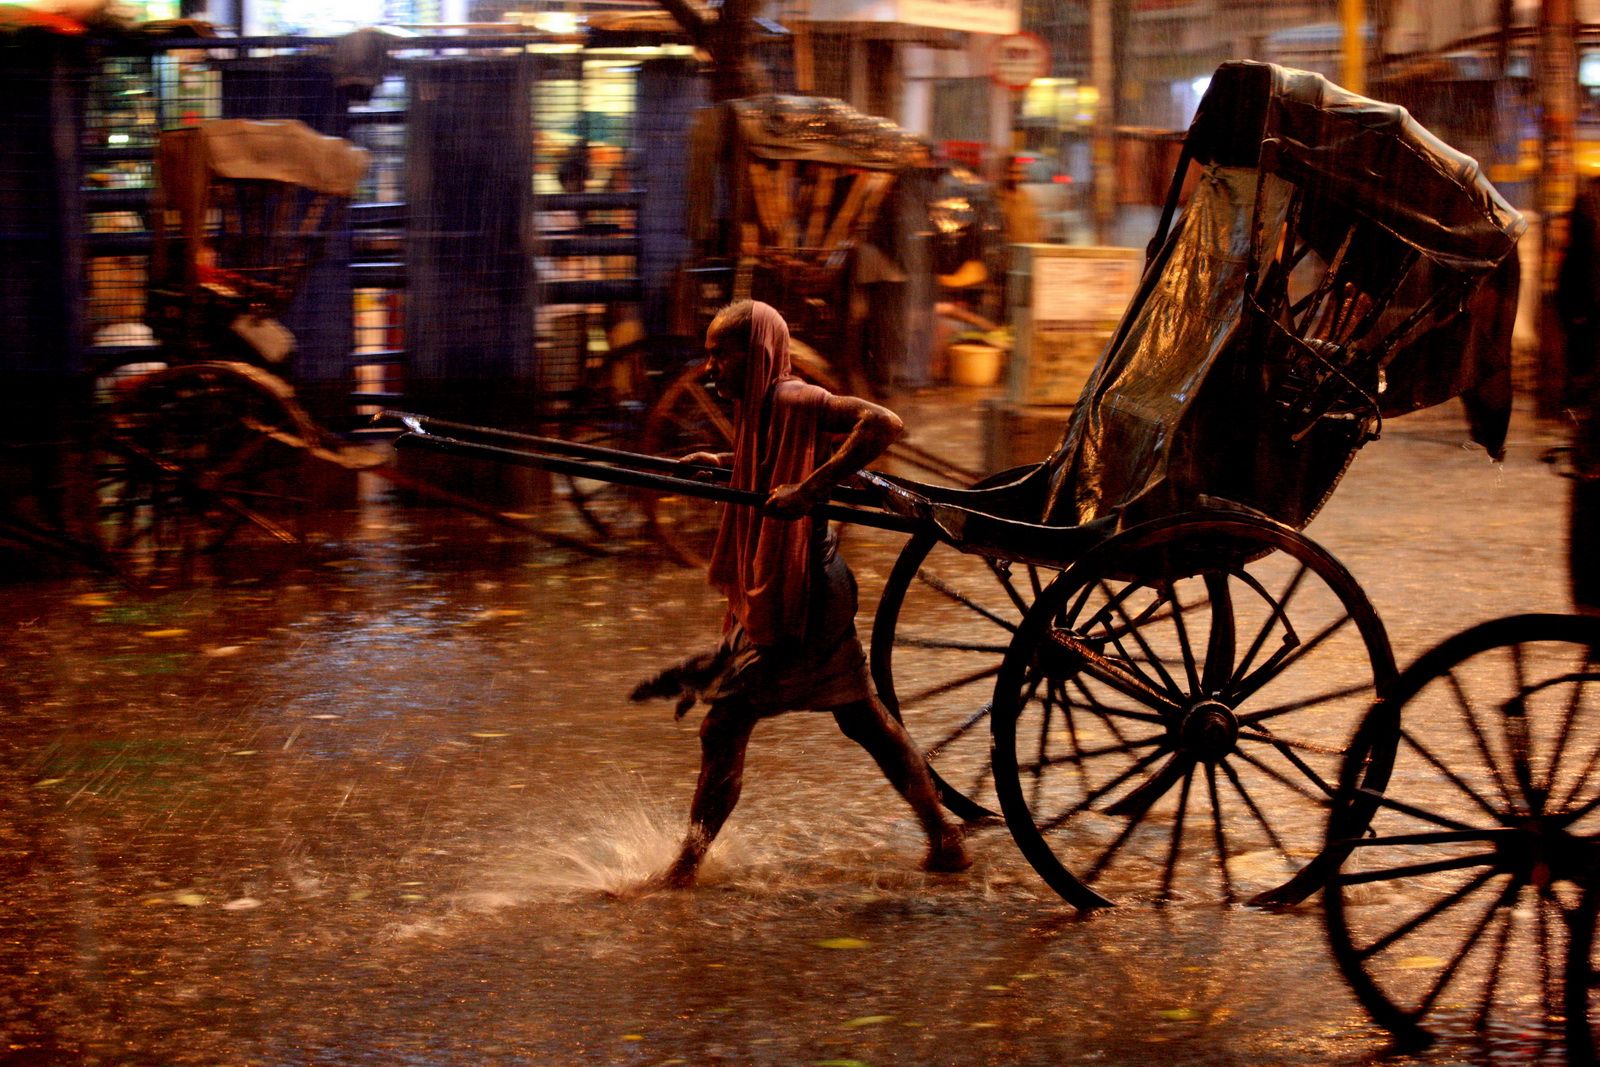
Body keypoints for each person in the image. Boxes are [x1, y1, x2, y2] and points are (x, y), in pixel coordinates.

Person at [631, 299, 972, 887]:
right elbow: (771, 461)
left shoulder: (792, 397)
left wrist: (813, 489)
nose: (711, 369)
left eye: (722, 354)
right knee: (861, 718)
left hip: (808, 590)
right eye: (708, 354)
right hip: (796, 581)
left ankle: (685, 869)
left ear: (756, 353)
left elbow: (883, 423)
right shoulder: (760, 408)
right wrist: (722, 462)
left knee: (725, 722)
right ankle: (944, 837)